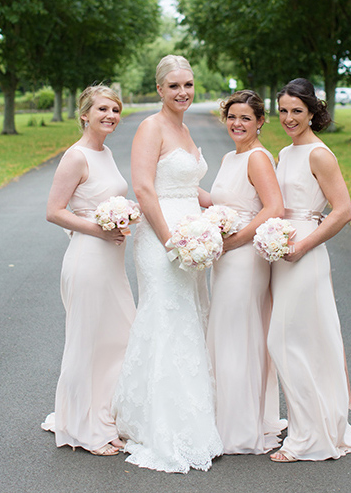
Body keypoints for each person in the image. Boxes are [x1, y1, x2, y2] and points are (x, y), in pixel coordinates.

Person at [112, 55, 223, 473]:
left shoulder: (185, 128)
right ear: (159, 89)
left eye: (189, 85)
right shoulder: (151, 127)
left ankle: (194, 410)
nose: (183, 93)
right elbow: (144, 188)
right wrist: (170, 241)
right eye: (174, 86)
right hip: (163, 241)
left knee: (193, 316)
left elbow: (192, 187)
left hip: (193, 237)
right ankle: (162, 423)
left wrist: (229, 211)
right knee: (167, 317)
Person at [268, 78, 351, 462]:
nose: (289, 118)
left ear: (313, 112)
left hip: (305, 254)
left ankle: (308, 438)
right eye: (283, 110)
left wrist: (302, 246)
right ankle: (311, 425)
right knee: (299, 341)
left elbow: (343, 211)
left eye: (297, 111)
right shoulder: (283, 152)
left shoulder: (319, 154)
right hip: (282, 254)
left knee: (283, 341)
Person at [41, 85, 136, 456]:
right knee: (88, 343)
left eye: (115, 110)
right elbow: (54, 210)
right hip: (87, 260)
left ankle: (103, 417)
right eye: (102, 109)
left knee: (118, 340)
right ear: (84, 114)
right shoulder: (75, 156)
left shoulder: (106, 152)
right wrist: (101, 228)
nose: (110, 115)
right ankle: (83, 428)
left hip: (111, 264)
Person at [207, 90, 287, 454]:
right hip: (224, 257)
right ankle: (227, 415)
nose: (237, 124)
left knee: (239, 334)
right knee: (225, 332)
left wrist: (236, 240)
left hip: (244, 257)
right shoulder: (229, 157)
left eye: (245, 118)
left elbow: (274, 207)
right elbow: (223, 201)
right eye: (232, 117)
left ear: (259, 122)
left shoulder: (258, 157)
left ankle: (239, 428)